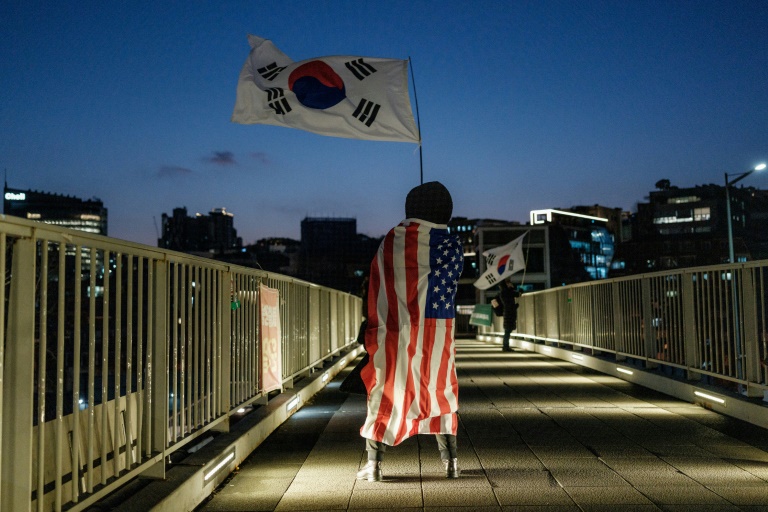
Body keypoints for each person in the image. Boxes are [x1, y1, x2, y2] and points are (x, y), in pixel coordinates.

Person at [356, 181, 464, 482]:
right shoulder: (452, 245)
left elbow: (377, 284)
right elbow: (452, 280)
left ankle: (375, 465)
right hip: (436, 330)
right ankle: (451, 463)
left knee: (384, 390)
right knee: (440, 387)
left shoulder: (390, 241)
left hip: (393, 331)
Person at [492, 279, 519, 352]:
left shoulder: (504, 292)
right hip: (509, 314)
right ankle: (505, 346)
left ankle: (506, 346)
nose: (511, 284)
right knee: (507, 331)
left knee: (507, 331)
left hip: (507, 313)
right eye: (509, 283)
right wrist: (515, 306)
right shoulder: (506, 292)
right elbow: (510, 302)